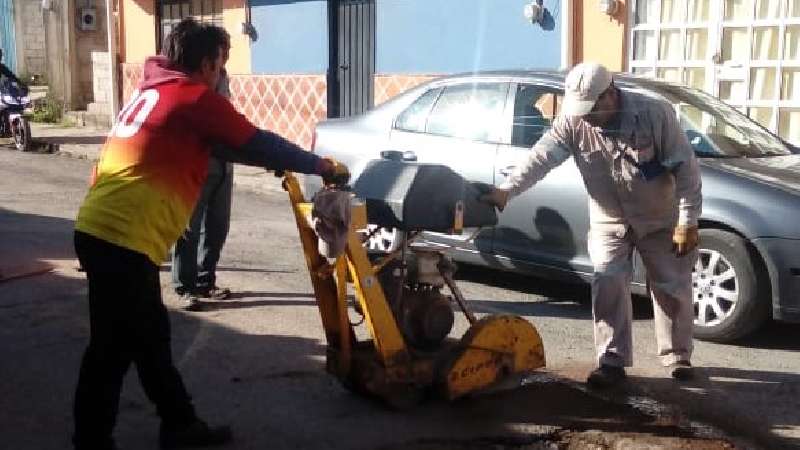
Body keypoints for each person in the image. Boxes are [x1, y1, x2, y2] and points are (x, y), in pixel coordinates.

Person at [72, 18, 348, 450]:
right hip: (123, 238)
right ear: (205, 64)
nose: (222, 74)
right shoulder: (195, 98)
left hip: (99, 229)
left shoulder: (150, 94)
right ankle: (95, 439)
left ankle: (179, 424)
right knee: (113, 348)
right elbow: (257, 141)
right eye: (221, 64)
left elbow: (217, 144)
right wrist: (322, 165)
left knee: (147, 339)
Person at [481, 62, 702, 389]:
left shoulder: (655, 114)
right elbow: (542, 157)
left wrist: (687, 220)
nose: (585, 116)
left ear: (610, 94)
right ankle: (611, 361)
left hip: (659, 217)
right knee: (607, 281)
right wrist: (507, 190)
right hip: (608, 217)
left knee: (671, 286)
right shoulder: (572, 121)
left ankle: (677, 356)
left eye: (592, 108)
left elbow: (686, 170)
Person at [171, 28, 235, 310]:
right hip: (197, 164)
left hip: (223, 163)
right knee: (189, 228)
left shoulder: (223, 77)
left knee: (217, 226)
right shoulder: (190, 82)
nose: (227, 56)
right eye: (223, 51)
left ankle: (206, 280)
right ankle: (185, 287)